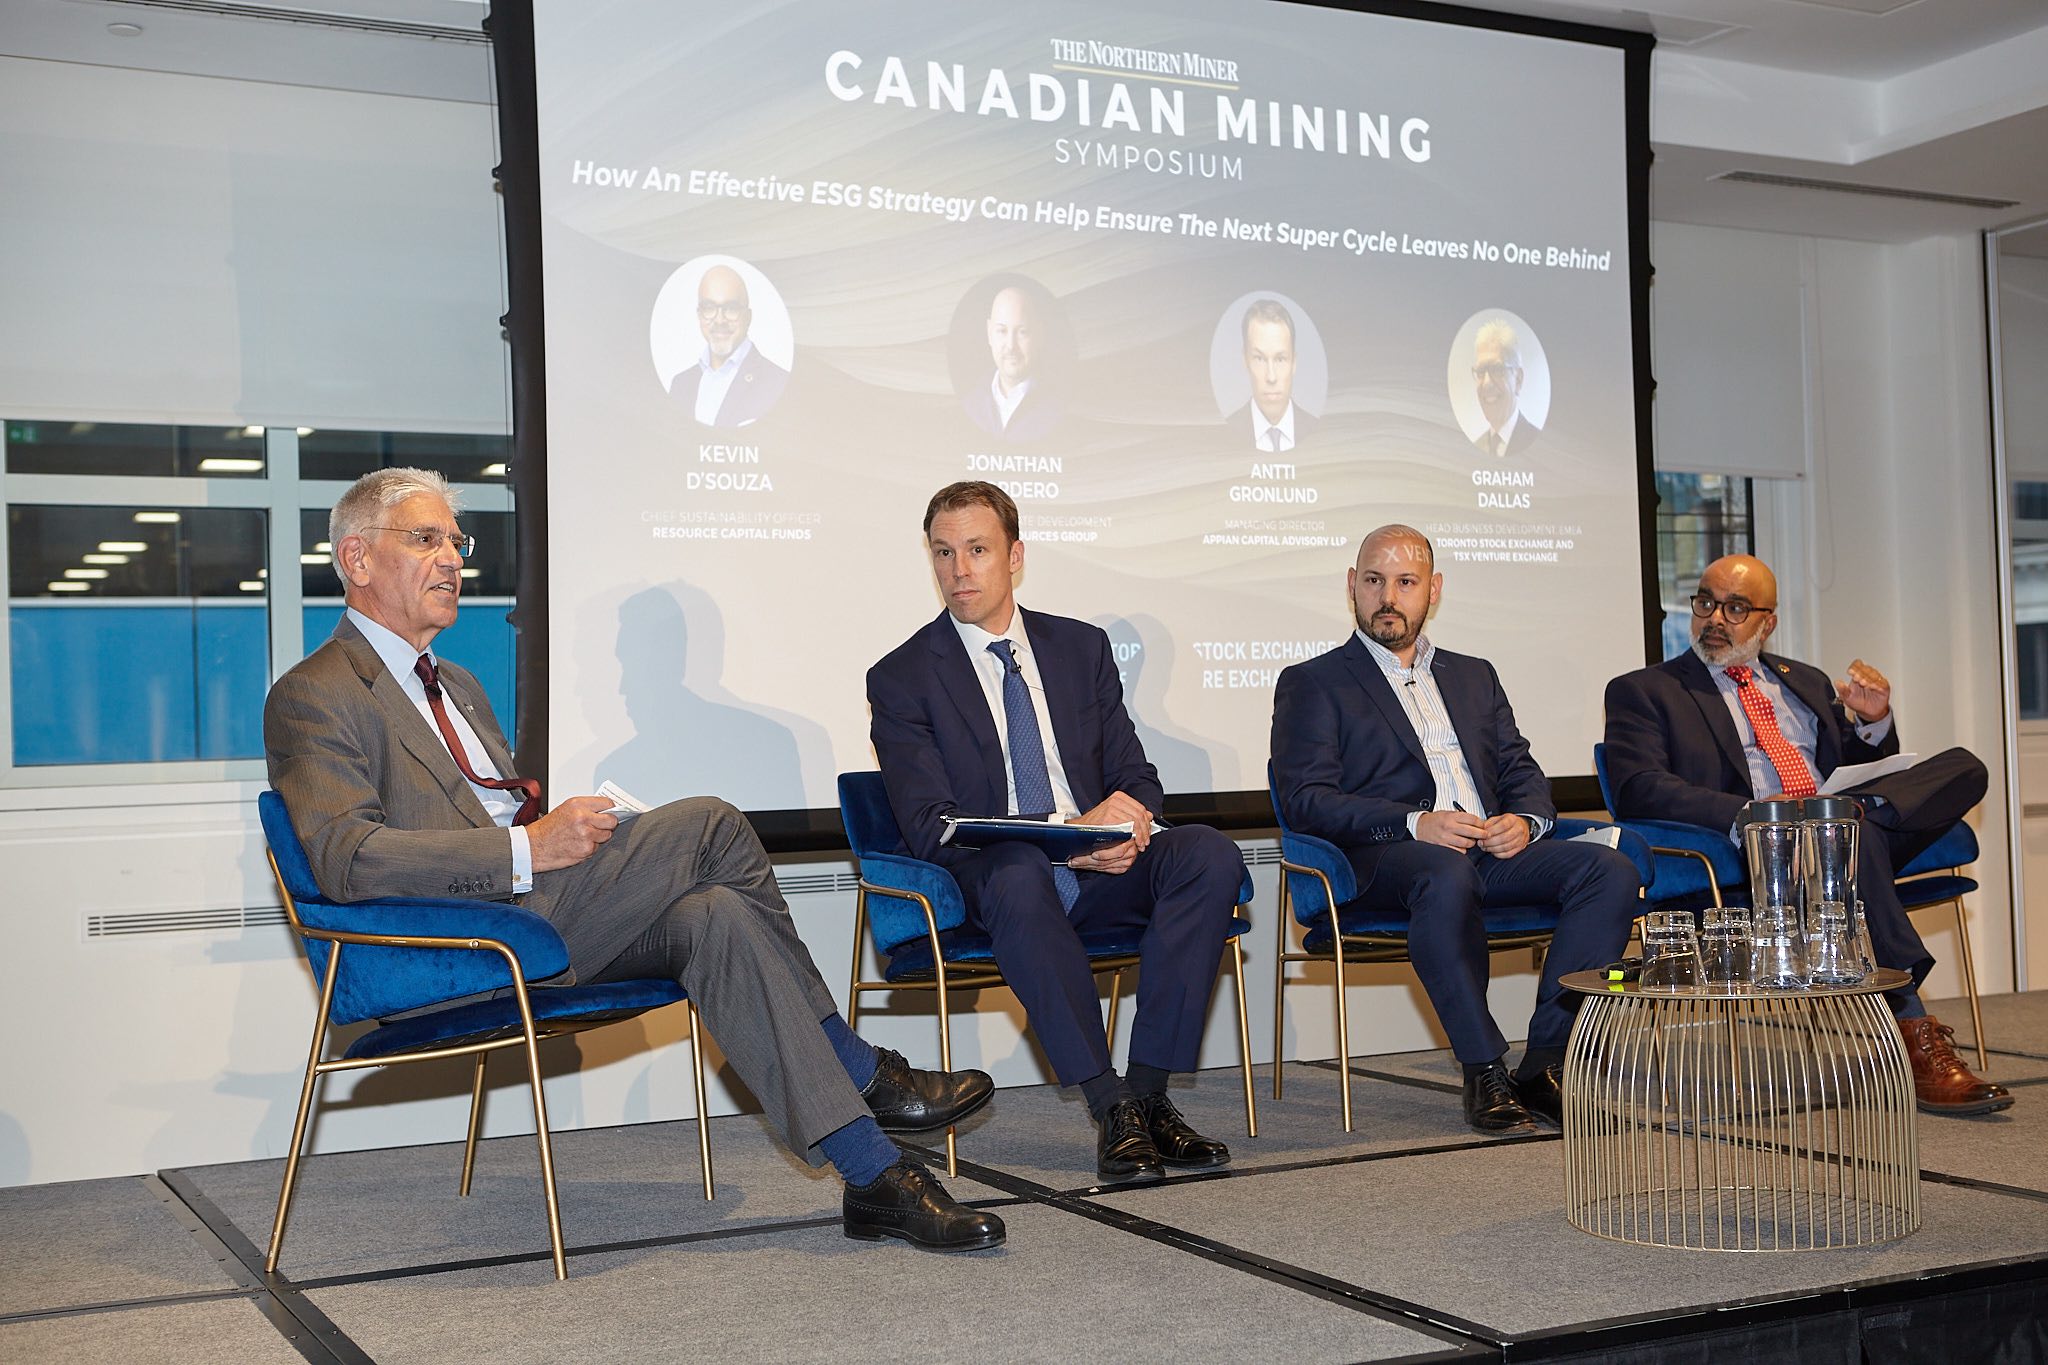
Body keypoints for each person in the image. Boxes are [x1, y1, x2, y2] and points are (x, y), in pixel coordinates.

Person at [266, 468, 1002, 1251]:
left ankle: (873, 1176)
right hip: (456, 947)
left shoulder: (459, 684)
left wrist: (558, 834)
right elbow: (348, 859)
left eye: (455, 540)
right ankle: (858, 1067)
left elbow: (488, 817)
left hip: (537, 915)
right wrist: (530, 847)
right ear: (356, 556)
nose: (451, 558)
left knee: (716, 914)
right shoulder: (315, 692)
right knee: (712, 823)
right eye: (425, 539)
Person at [867, 481, 1245, 1182]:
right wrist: (1071, 835)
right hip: (1002, 882)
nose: (959, 570)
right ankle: (1110, 1104)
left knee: (1208, 853)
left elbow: (1136, 775)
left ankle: (1149, 1096)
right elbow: (930, 826)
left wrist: (1124, 827)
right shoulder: (903, 676)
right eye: (944, 553)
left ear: (1015, 556)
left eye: (977, 550)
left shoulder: (1079, 648)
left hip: (1104, 871)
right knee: (1017, 867)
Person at [1603, 554, 2010, 1115]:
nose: (1714, 618)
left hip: (1844, 831)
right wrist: (1752, 811)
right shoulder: (1646, 690)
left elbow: (1860, 766)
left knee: (1965, 767)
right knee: (1849, 840)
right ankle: (1913, 1032)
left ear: (1767, 622)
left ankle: (1846, 817)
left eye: (1735, 608)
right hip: (1767, 846)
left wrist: (1873, 725)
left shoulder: (1808, 681)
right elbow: (1639, 788)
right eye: (1706, 602)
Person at [1270, 525, 1640, 1134]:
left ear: (1433, 590)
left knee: (1609, 870)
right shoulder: (1314, 682)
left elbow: (1520, 768)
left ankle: (1547, 1062)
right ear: (1352, 586)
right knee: (1444, 872)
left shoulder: (1474, 675)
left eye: (1406, 582)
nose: (1388, 597)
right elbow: (1306, 800)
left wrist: (1524, 821)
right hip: (1387, 860)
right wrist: (1415, 822)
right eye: (1374, 581)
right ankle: (1484, 1067)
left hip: (1488, 852)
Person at [668, 264, 789, 428]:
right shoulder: (680, 384)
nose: (720, 320)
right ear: (699, 316)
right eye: (709, 308)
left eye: (731, 308)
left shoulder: (777, 383)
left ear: (748, 317)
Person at [960, 286, 1059, 441]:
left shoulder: (1058, 410)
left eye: (1022, 332)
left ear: (1039, 334)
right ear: (989, 333)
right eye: (1002, 331)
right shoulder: (970, 404)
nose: (1011, 346)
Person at [1229, 298, 1318, 453]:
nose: (1271, 377)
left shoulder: (1318, 431)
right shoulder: (1225, 433)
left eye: (1280, 359)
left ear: (1294, 362)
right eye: (1259, 358)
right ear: (1245, 360)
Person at [1468, 319, 1540, 458]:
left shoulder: (1538, 442)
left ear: (1518, 379)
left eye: (1497, 369)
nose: (1487, 383)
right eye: (1481, 371)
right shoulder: (1476, 447)